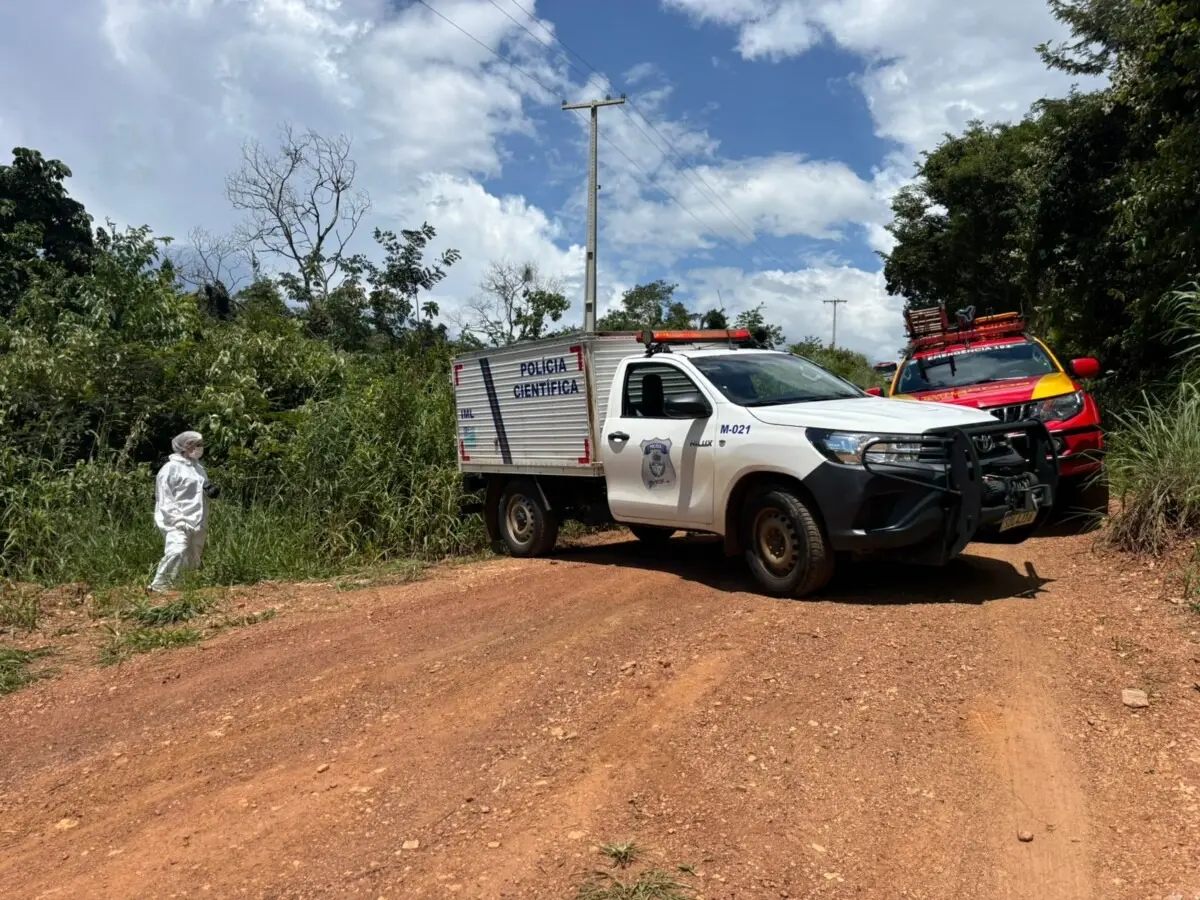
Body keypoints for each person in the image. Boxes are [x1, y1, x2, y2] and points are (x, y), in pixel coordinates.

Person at [148, 430, 217, 592]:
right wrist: (176, 518)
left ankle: (182, 587)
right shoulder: (170, 468)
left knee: (193, 554)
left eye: (201, 444)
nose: (200, 447)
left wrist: (209, 492)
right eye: (196, 444)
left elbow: (201, 489)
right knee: (177, 549)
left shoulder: (198, 468)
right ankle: (158, 587)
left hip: (198, 517)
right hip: (177, 519)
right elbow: (165, 496)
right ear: (186, 446)